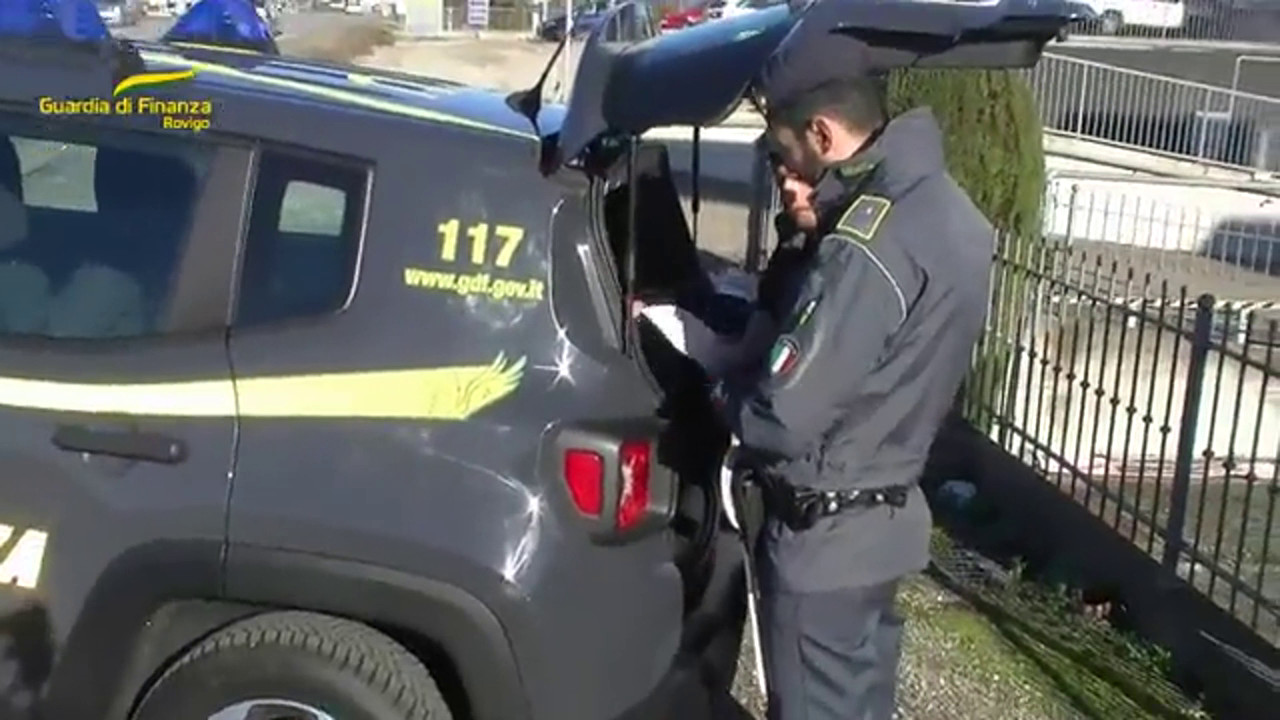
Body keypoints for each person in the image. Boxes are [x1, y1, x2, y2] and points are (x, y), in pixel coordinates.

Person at [709, 30, 998, 720]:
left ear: (822, 133)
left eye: (784, 151)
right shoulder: (946, 210)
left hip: (825, 541)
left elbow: (781, 417)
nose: (784, 170)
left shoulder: (867, 247)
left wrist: (717, 389)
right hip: (882, 526)